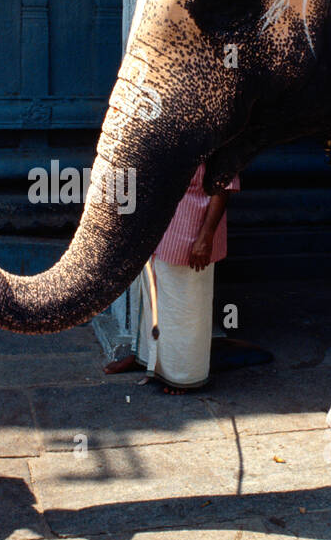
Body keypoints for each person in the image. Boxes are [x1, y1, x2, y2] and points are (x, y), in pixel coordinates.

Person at [106, 165, 266, 390]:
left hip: (192, 230)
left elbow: (224, 185)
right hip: (157, 225)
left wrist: (206, 236)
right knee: (151, 297)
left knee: (186, 307)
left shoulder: (214, 132)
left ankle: (184, 376)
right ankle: (143, 357)